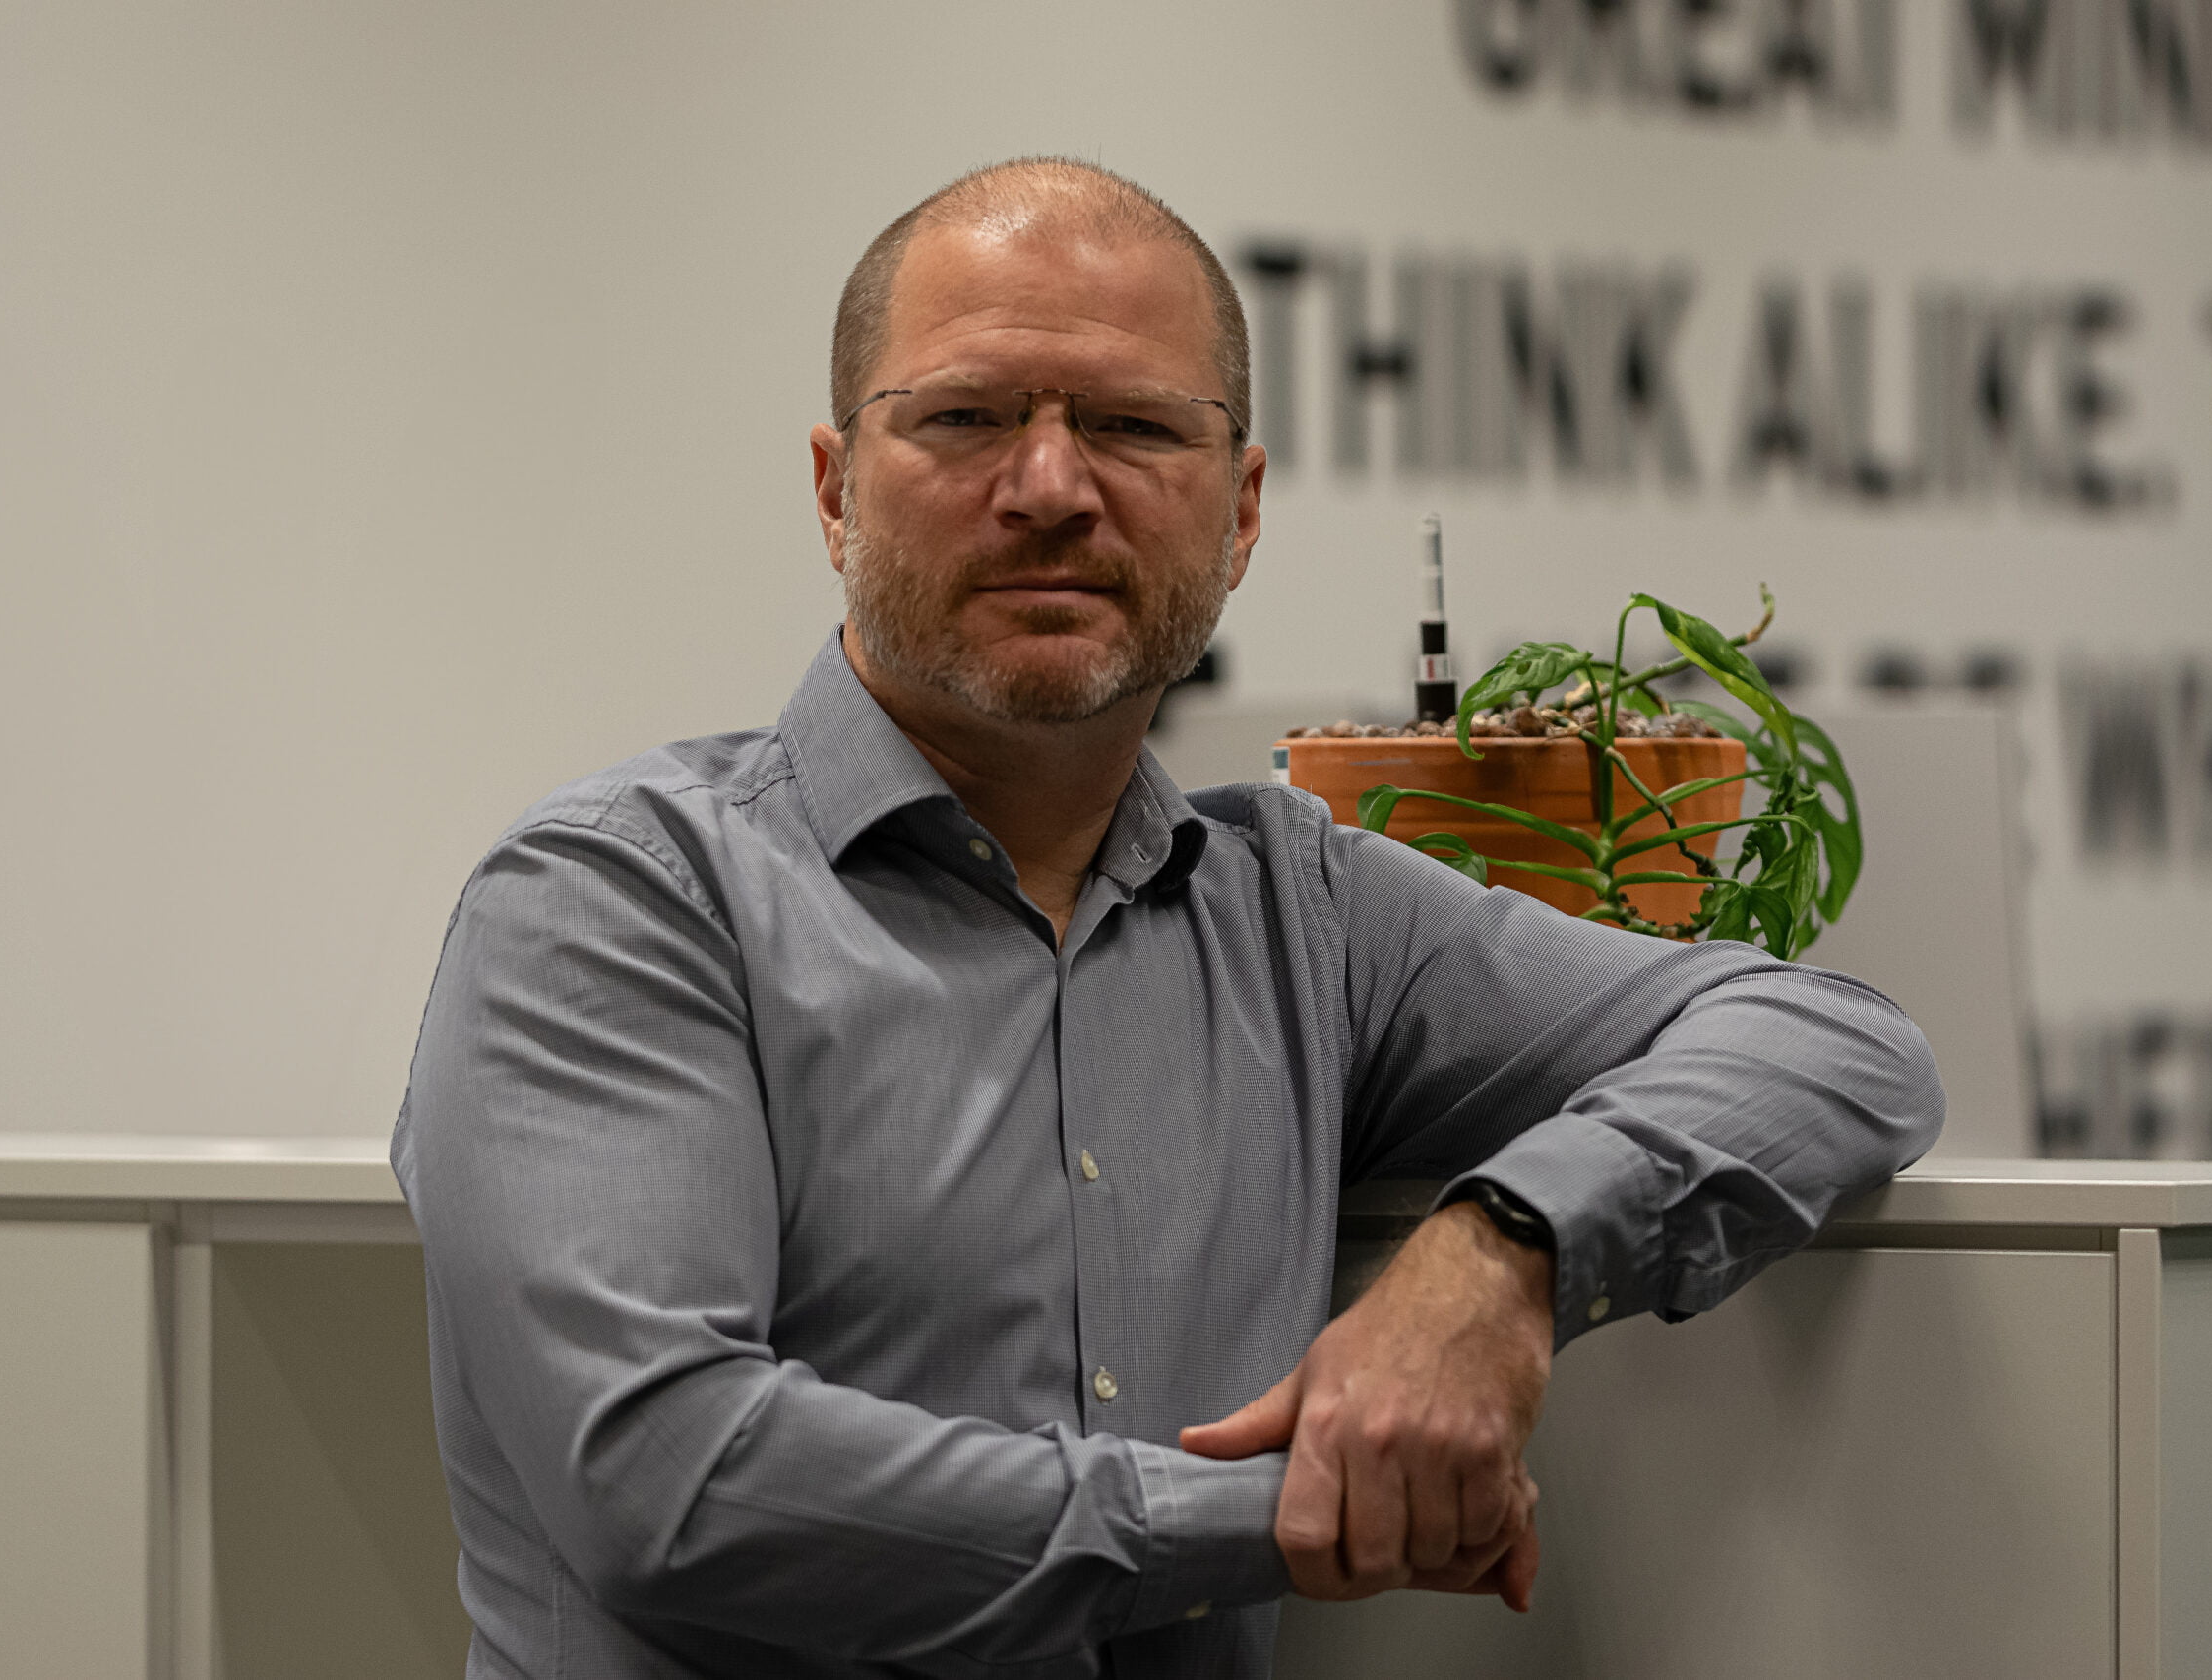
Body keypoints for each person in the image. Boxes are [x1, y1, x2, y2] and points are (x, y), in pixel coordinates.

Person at [393, 157, 1942, 1680]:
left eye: (1134, 426)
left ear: (1242, 511)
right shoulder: (622, 902)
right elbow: (667, 1480)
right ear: (832, 489)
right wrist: (1287, 1514)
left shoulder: (1306, 917)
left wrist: (1503, 1254)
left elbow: (1834, 1044)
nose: (1051, 488)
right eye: (964, 417)